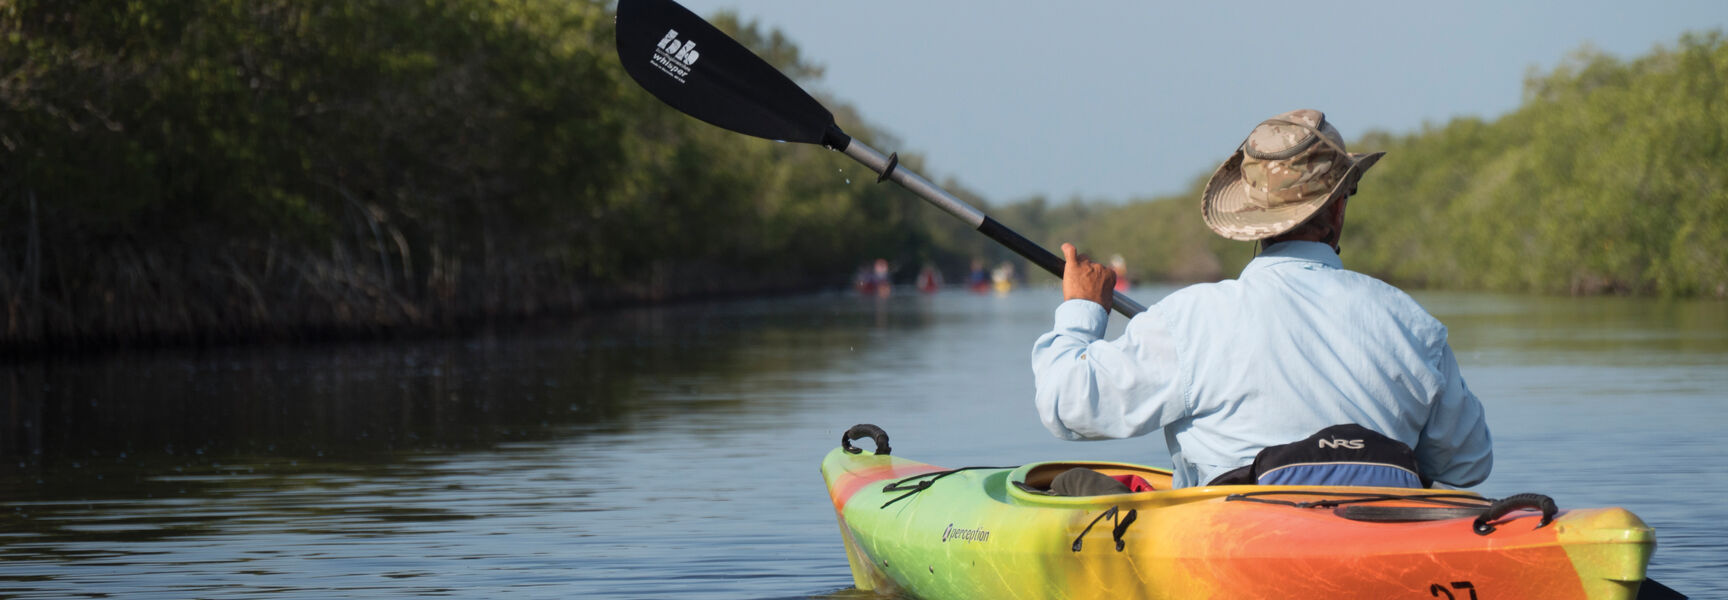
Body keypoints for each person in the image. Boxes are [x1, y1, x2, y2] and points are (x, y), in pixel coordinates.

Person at [1031, 109, 1491, 489]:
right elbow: (1468, 465)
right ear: (1337, 207)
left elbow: (1066, 407)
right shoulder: (1413, 323)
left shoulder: (1190, 319)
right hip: (1384, 550)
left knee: (1071, 485)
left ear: (1249, 216)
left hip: (1234, 554)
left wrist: (1083, 309)